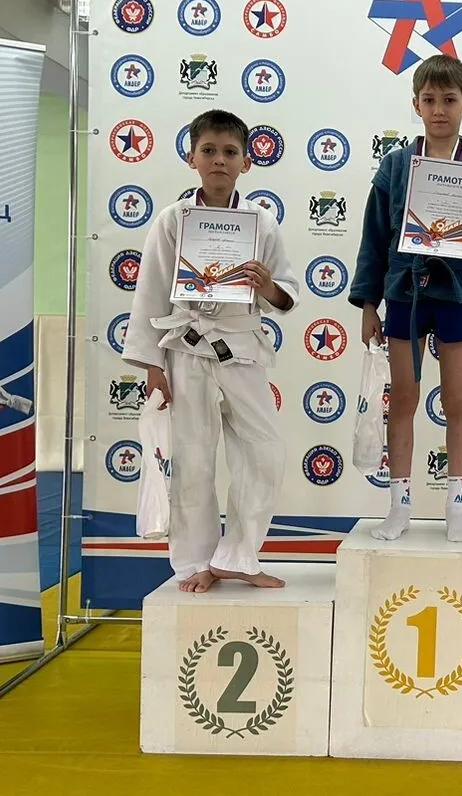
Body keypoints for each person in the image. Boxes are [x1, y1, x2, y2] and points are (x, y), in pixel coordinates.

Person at [122, 108, 301, 594]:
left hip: (242, 348)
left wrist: (266, 286)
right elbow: (151, 293)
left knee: (266, 452)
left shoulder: (261, 221)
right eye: (209, 151)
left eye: (229, 152)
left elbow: (286, 292)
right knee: (193, 460)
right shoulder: (171, 220)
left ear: (246, 162)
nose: (219, 160)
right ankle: (196, 562)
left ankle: (238, 556)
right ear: (191, 158)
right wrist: (153, 368)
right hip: (186, 349)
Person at [348, 54, 462, 543]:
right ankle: (399, 505)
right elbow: (374, 237)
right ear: (416, 104)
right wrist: (368, 304)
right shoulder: (396, 165)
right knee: (403, 397)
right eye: (429, 100)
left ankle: (456, 506)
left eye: (449, 100)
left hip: (456, 292)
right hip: (404, 292)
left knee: (457, 398)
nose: (439, 109)